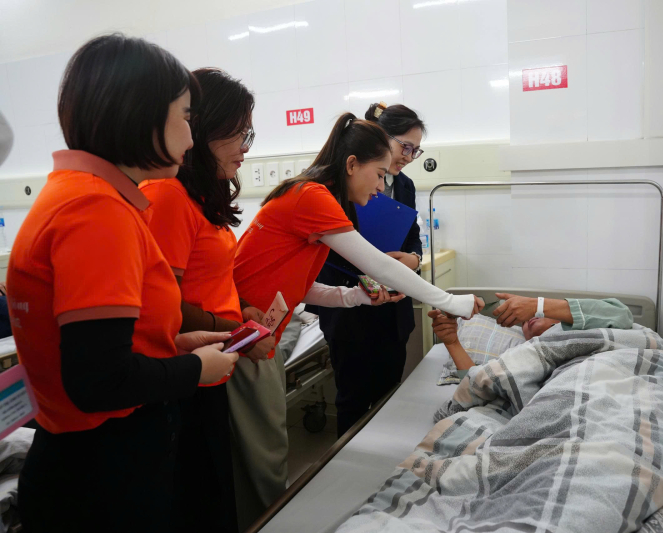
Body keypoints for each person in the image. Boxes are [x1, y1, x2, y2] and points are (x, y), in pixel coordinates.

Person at [5, 34, 237, 533]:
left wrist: (173, 345)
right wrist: (195, 369)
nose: (191, 138)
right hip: (102, 473)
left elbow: (98, 345)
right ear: (141, 114)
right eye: (186, 117)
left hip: (89, 461)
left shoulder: (82, 195)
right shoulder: (96, 212)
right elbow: (98, 381)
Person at [232, 112, 483, 521]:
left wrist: (354, 297)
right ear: (352, 164)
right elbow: (379, 265)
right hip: (242, 330)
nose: (383, 186)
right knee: (264, 453)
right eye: (379, 174)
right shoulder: (313, 197)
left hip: (261, 329)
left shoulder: (317, 198)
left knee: (266, 447)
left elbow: (299, 285)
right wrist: (453, 303)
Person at [140, 68, 272, 533]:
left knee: (214, 492)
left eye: (249, 134)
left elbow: (208, 275)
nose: (246, 148)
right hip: (183, 372)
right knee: (197, 502)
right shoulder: (167, 195)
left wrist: (243, 308)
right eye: (238, 134)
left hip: (212, 366)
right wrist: (235, 331)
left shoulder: (199, 198)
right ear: (203, 128)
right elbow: (163, 302)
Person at [314, 102, 426, 437]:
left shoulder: (404, 185)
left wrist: (413, 260)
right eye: (405, 146)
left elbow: (413, 235)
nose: (409, 156)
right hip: (349, 311)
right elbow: (325, 253)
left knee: (389, 394)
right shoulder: (331, 187)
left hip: (392, 311)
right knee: (353, 401)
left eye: (416, 150)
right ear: (380, 137)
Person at [430, 294, 634, 378]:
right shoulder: (522, 353)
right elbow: (478, 386)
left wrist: (538, 305)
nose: (527, 320)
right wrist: (452, 342)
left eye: (536, 314)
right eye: (523, 324)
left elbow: (622, 315)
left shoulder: (582, 328)